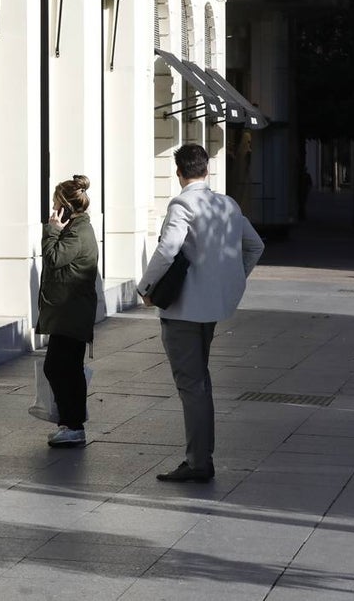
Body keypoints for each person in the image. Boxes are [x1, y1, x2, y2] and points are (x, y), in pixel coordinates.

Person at [137, 144, 264, 483]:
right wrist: (231, 277)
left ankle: (198, 462)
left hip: (182, 309)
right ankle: (200, 457)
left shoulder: (183, 203)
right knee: (200, 382)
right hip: (211, 308)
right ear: (207, 170)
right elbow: (255, 245)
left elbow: (167, 249)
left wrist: (145, 287)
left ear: (178, 172)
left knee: (191, 385)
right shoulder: (227, 204)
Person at [36, 175, 100, 448]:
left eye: (55, 203)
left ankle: (73, 423)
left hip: (71, 314)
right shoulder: (77, 229)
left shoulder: (76, 233)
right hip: (70, 312)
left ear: (64, 207)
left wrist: (51, 230)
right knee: (66, 367)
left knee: (61, 367)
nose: (52, 209)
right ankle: (70, 422)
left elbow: (53, 258)